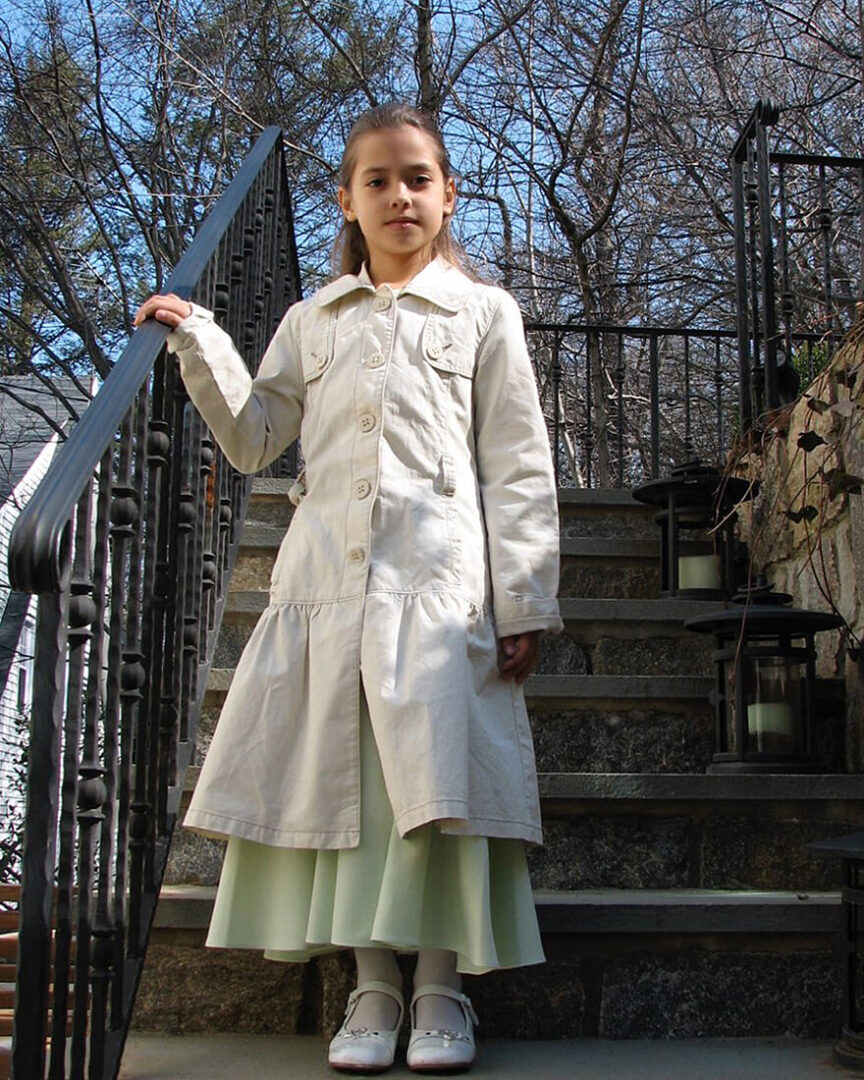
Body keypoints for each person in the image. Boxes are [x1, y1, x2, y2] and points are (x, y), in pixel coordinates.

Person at [134, 103, 562, 1074]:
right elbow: (253, 436)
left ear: (449, 195)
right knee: (348, 788)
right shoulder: (308, 321)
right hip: (327, 585)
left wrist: (526, 597)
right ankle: (372, 985)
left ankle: (443, 988)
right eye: (377, 179)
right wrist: (198, 336)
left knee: (438, 784)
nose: (399, 194)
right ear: (348, 200)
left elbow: (519, 462)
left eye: (418, 177)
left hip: (441, 586)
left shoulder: (485, 314)